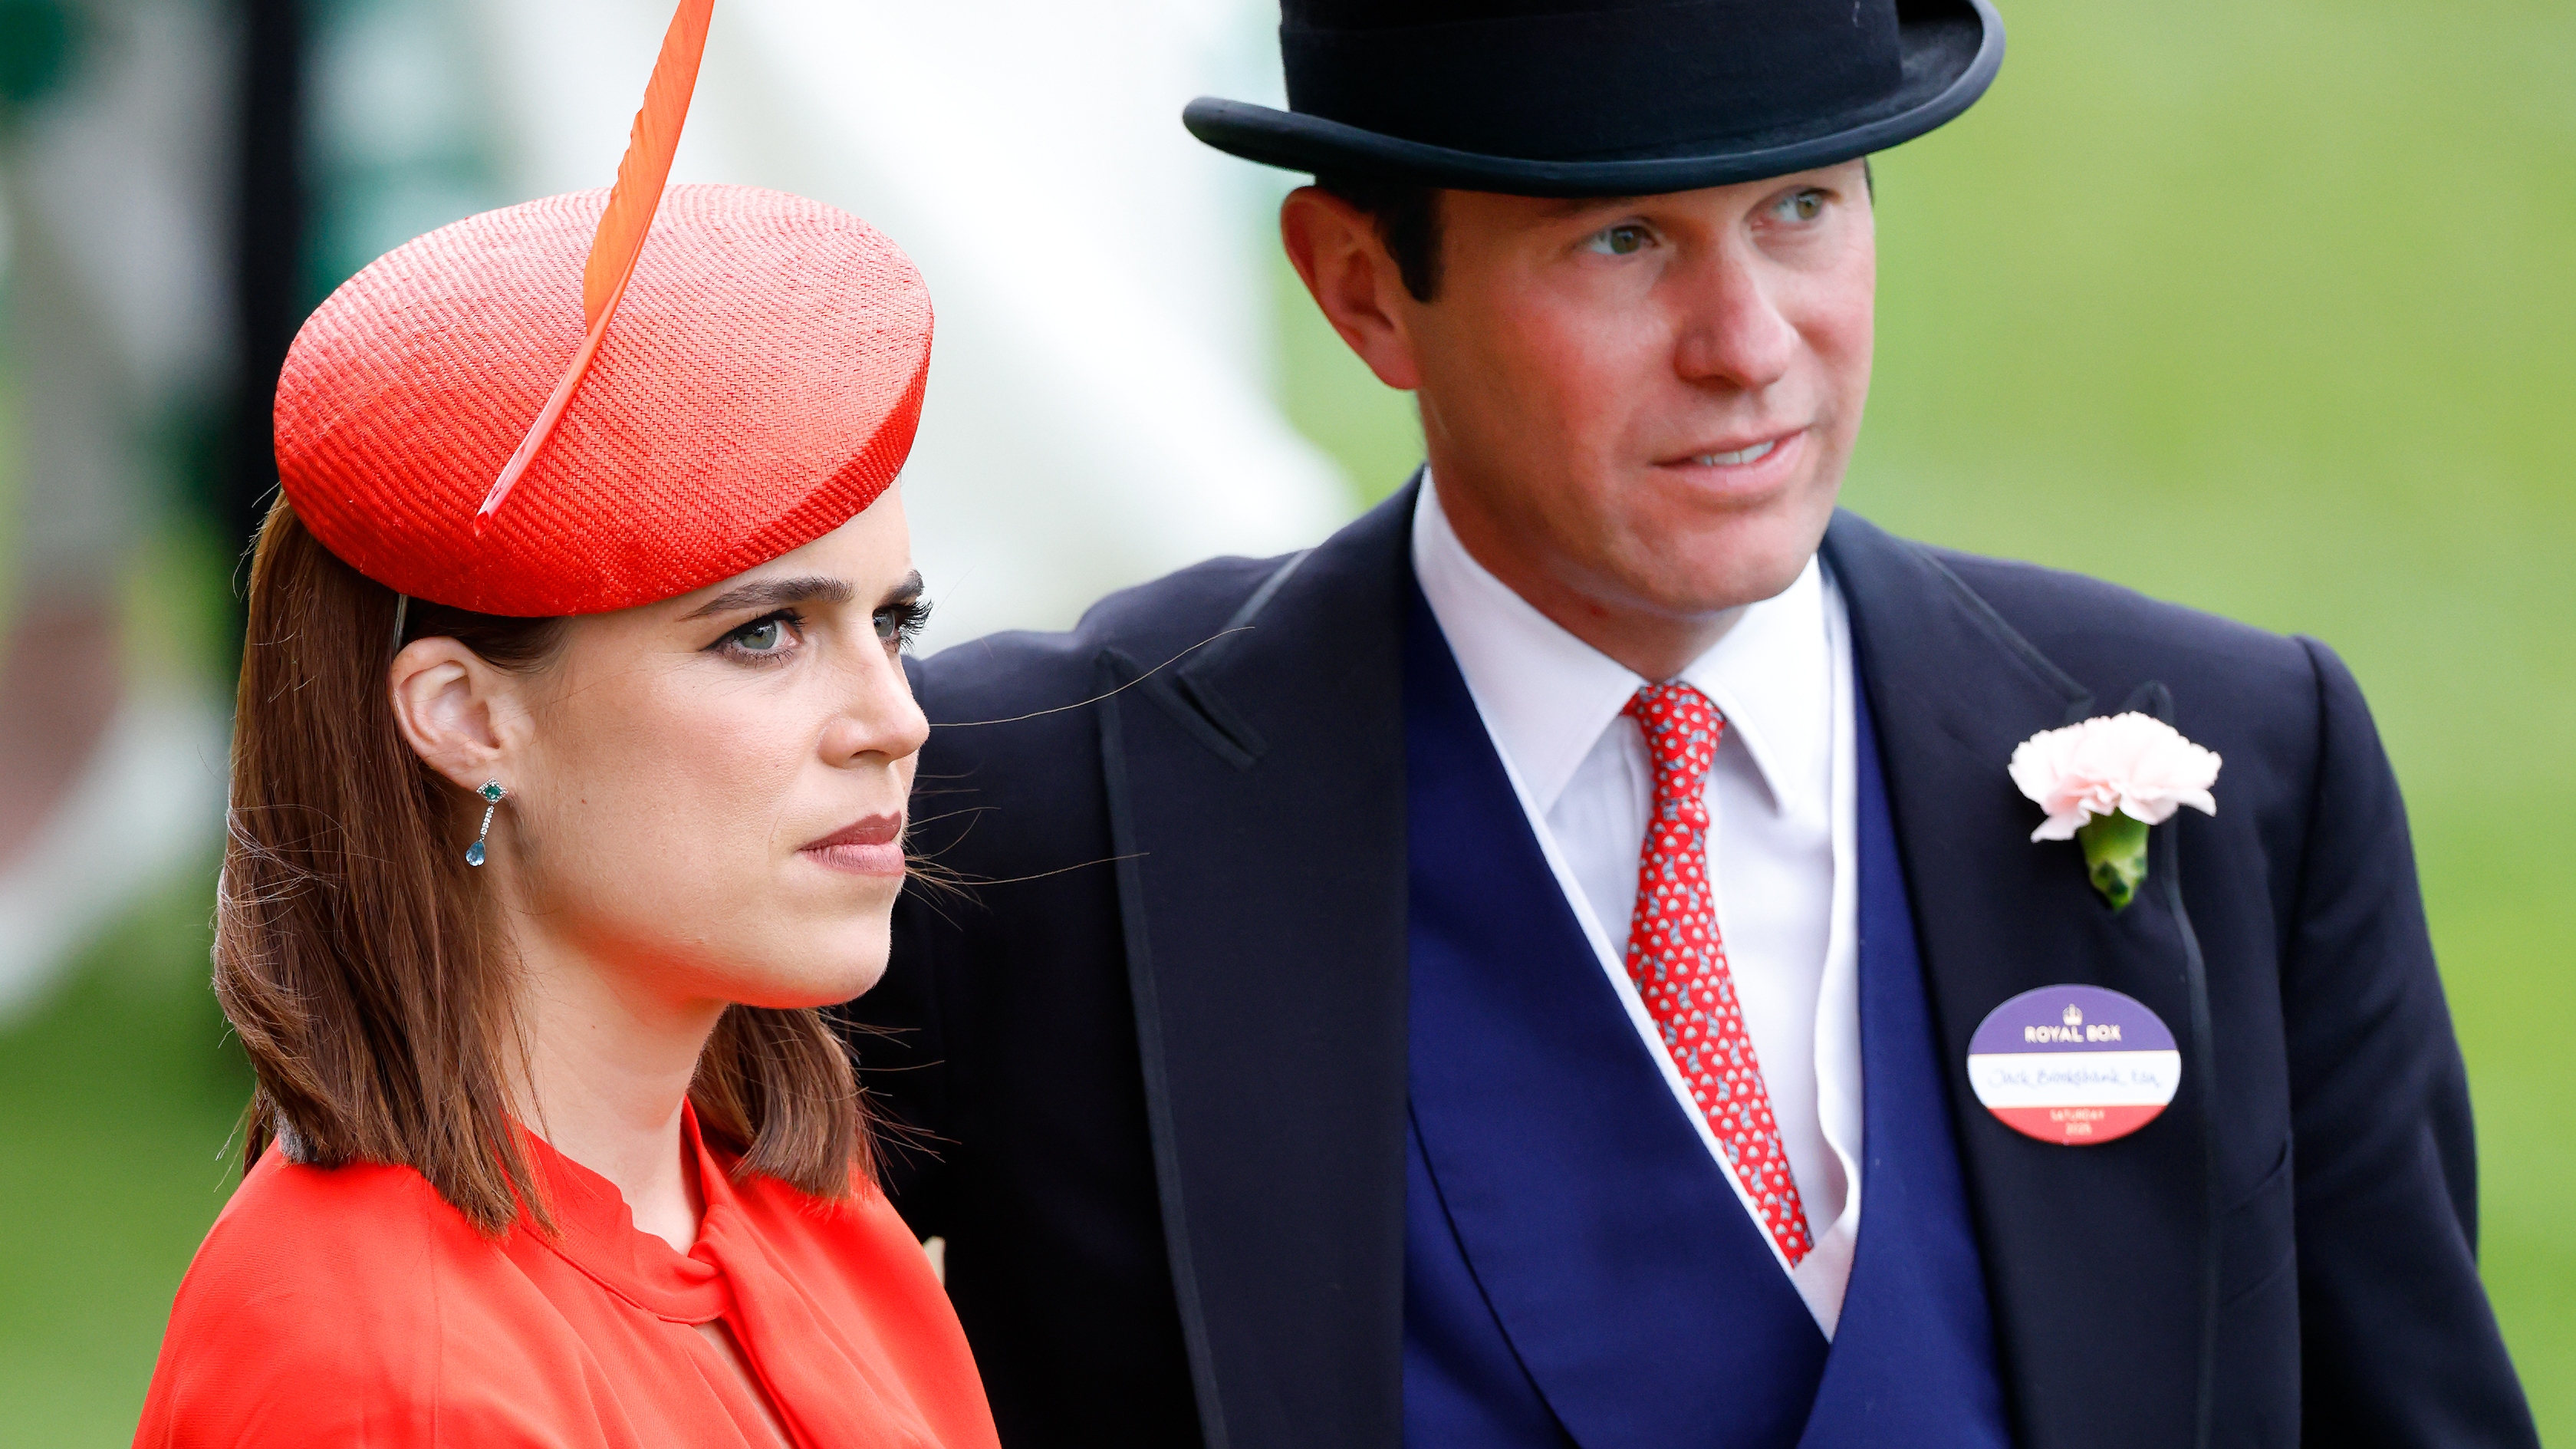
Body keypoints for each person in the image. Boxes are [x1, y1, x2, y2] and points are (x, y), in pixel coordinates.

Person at [849, 0, 2539, 1445]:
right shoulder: (1023, 813)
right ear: (1363, 288)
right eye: (1624, 239)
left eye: (1802, 207)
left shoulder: (2251, 761)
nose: (1748, 347)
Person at [132, 7, 998, 1445]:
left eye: (889, 622)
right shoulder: (371, 1370)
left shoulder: (802, 1201)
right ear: (470, 717)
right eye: (762, 632)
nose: (893, 719)